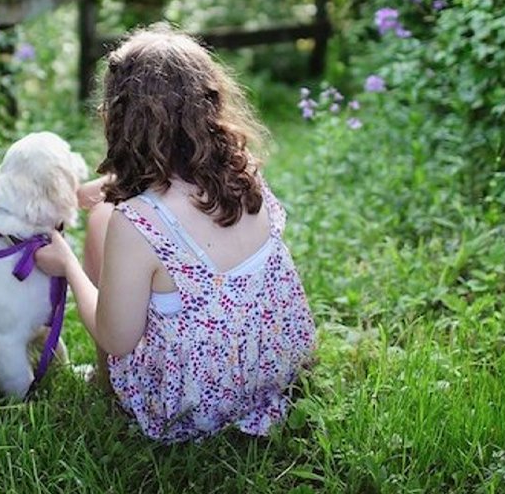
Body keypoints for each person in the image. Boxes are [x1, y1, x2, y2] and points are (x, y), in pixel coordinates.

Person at [35, 25, 317, 442]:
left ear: (122, 118)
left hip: (191, 403)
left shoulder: (135, 223)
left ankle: (106, 383)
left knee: (100, 220)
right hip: (272, 371)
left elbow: (118, 338)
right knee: (109, 215)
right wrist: (115, 186)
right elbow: (179, 201)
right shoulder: (245, 175)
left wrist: (69, 267)